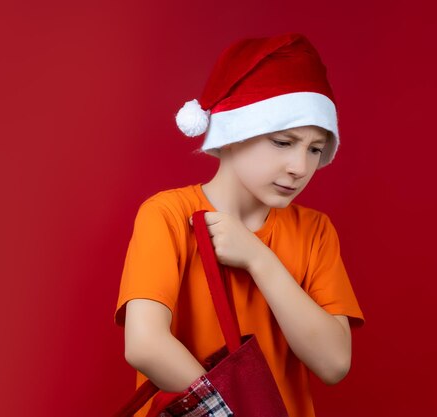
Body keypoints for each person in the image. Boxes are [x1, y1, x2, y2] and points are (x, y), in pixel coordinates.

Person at [113, 32, 366, 417]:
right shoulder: (167, 214)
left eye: (316, 148)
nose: (300, 167)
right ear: (233, 134)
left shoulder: (315, 231)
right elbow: (145, 344)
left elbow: (333, 363)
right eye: (283, 142)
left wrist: (259, 259)